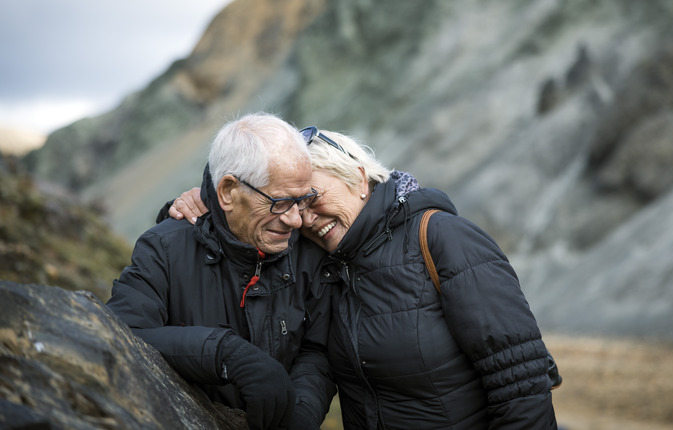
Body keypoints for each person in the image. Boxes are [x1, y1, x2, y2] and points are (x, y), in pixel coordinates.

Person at [169, 126, 558, 429]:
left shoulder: (443, 238)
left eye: (311, 198)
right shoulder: (327, 263)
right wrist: (197, 204)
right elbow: (240, 231)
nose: (303, 219)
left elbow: (522, 387)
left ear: (357, 177)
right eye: (292, 204)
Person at [106, 113, 335, 430]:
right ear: (228, 191)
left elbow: (316, 350)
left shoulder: (306, 250)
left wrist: (303, 412)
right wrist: (225, 354)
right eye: (281, 202)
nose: (297, 219)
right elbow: (120, 331)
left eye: (303, 200)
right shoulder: (164, 248)